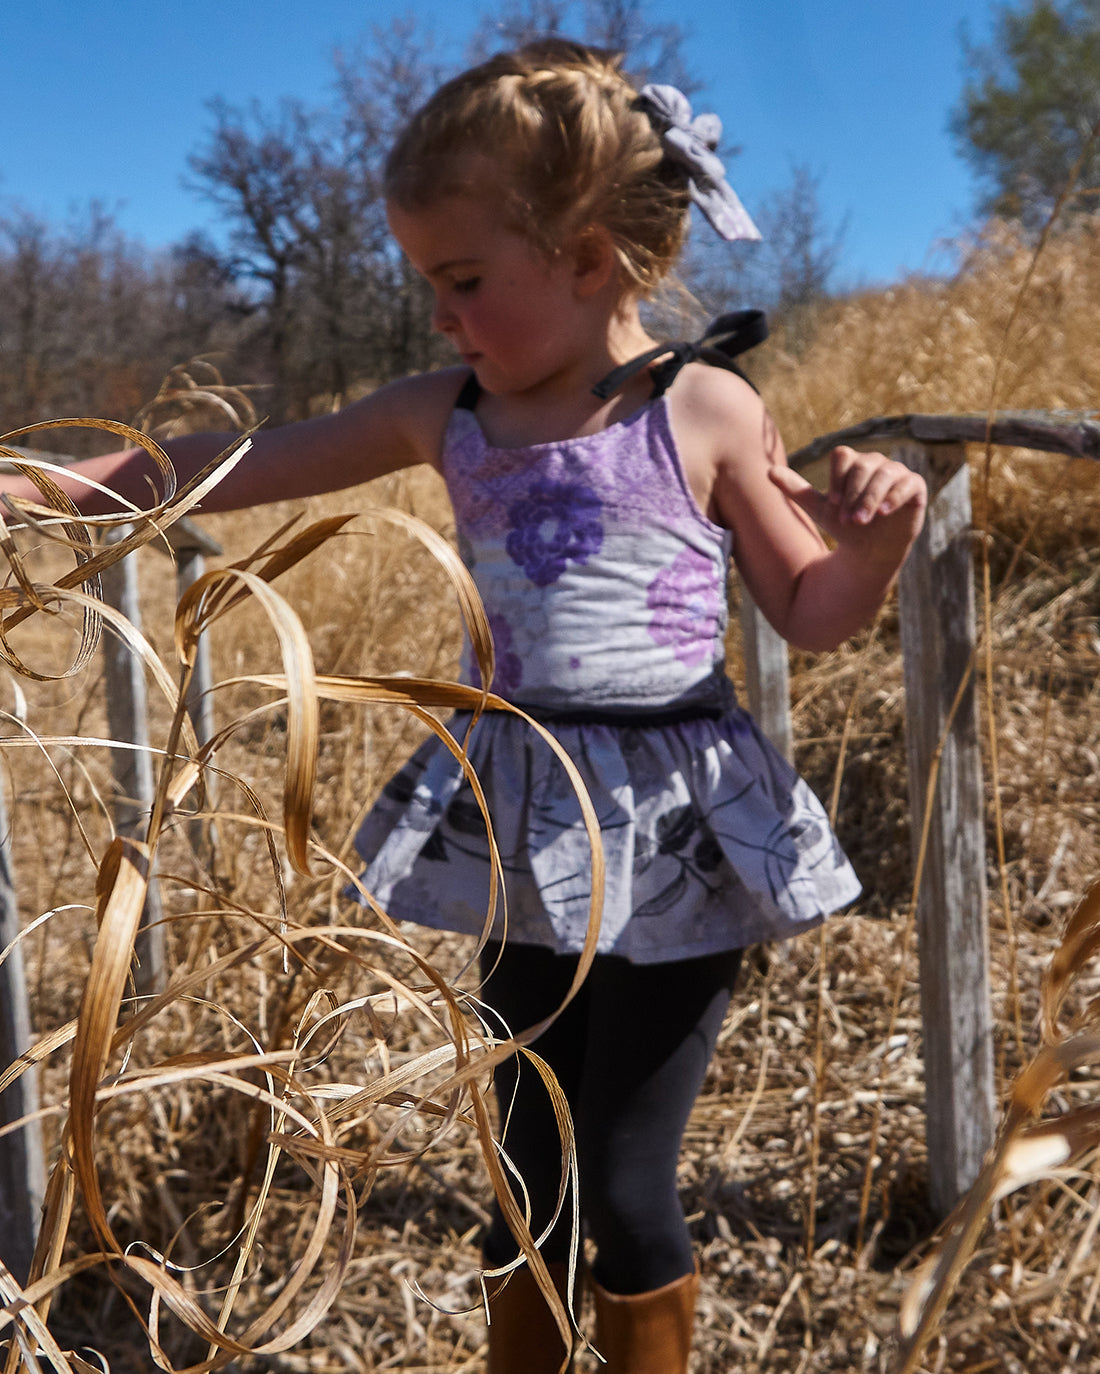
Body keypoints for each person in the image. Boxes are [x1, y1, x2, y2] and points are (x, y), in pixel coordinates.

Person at [4, 39, 927, 1373]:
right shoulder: (453, 412)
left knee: (623, 1182)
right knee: (524, 1172)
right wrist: (50, 491)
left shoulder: (708, 409)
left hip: (671, 829)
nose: (441, 317)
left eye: (464, 282)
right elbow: (238, 458)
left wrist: (880, 545)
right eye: (428, 283)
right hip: (520, 817)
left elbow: (816, 610)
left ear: (592, 259)